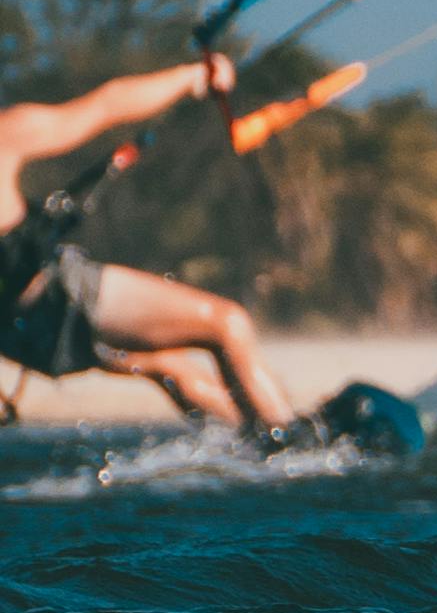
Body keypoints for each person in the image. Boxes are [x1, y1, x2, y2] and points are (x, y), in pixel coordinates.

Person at [0, 57, 304, 431]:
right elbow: (106, 105)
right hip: (59, 301)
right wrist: (193, 77)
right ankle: (288, 441)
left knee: (168, 364)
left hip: (20, 338)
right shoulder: (6, 133)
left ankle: (256, 442)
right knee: (228, 323)